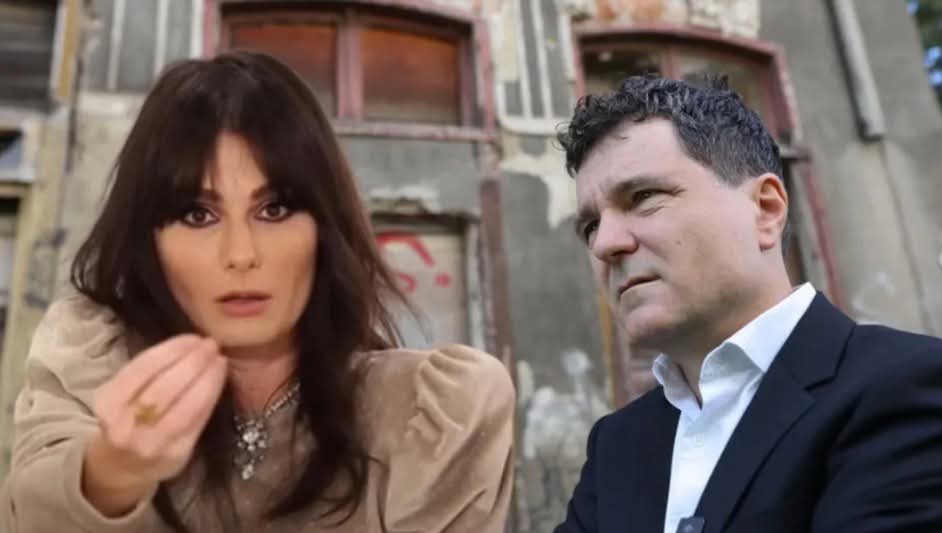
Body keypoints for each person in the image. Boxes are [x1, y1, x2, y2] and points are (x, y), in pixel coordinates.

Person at [0, 51, 515, 533]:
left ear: (323, 228)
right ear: (149, 239)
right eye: (198, 215)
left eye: (274, 210)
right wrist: (113, 470)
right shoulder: (93, 355)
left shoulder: (432, 416)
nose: (241, 254)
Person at [553, 76, 942, 533]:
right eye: (591, 227)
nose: (605, 244)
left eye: (643, 197)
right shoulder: (615, 445)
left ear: (766, 210)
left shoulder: (904, 386)